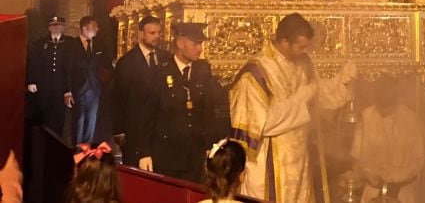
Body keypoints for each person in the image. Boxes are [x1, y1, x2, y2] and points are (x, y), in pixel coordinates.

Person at [228, 13, 357, 202]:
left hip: (299, 163)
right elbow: (262, 123)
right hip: (269, 163)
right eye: (301, 47)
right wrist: (301, 99)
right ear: (284, 42)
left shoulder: (302, 63)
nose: (305, 51)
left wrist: (342, 81)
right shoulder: (256, 73)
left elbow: (318, 97)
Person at [137, 22, 229, 183]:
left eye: (200, 44)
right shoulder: (160, 73)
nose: (200, 49)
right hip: (167, 154)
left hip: (194, 155)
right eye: (195, 44)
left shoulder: (202, 72)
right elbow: (146, 116)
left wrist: (210, 147)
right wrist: (144, 153)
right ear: (180, 44)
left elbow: (207, 112)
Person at [351, 77, 425, 203]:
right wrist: (371, 176)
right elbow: (357, 158)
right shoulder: (366, 118)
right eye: (380, 107)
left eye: (388, 107)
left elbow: (419, 160)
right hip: (373, 190)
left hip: (402, 191)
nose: (383, 111)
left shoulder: (411, 120)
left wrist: (397, 178)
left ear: (396, 100)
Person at [112, 15, 171, 166]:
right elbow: (118, 100)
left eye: (158, 33)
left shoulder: (166, 58)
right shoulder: (127, 62)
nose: (156, 36)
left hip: (160, 131)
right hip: (135, 129)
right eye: (152, 33)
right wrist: (119, 132)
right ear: (140, 34)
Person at [26, 15, 70, 136]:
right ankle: (42, 141)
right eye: (53, 26)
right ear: (49, 28)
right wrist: (31, 81)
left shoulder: (69, 43)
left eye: (58, 26)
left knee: (59, 117)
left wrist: (69, 89)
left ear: (63, 27)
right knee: (43, 115)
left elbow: (71, 67)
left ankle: (56, 141)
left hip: (61, 87)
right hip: (43, 86)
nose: (55, 28)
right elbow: (33, 62)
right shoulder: (40, 43)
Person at [64, 16, 103, 145]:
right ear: (85, 28)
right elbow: (67, 69)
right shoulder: (71, 45)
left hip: (94, 90)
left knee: (91, 122)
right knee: (78, 121)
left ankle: (87, 150)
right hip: (78, 89)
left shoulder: (98, 44)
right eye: (94, 26)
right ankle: (77, 150)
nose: (97, 29)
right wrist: (67, 91)